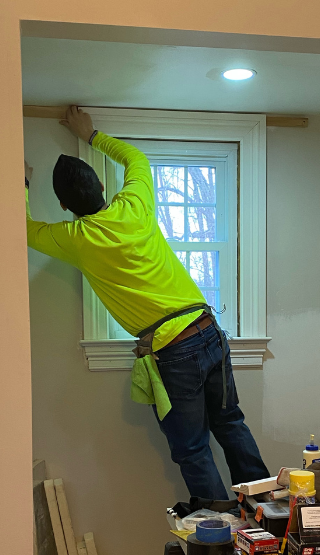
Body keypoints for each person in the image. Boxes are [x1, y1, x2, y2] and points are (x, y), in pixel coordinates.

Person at [25, 105, 270, 504]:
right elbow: (136, 158)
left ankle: (222, 538)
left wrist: (21, 180)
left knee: (192, 449)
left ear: (66, 207)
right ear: (104, 189)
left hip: (177, 353)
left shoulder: (77, 238)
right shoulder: (134, 204)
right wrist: (91, 136)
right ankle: (267, 515)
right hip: (209, 330)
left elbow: (27, 230)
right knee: (230, 422)